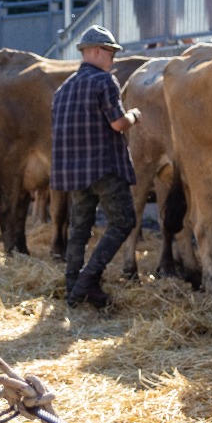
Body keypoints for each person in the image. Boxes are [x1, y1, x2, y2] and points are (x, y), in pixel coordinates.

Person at [50, 26, 141, 309]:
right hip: (104, 167)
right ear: (97, 51)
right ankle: (88, 280)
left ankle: (71, 289)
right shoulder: (104, 82)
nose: (112, 60)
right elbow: (117, 123)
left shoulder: (63, 89)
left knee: (79, 229)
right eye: (111, 53)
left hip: (75, 173)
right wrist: (134, 116)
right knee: (124, 221)